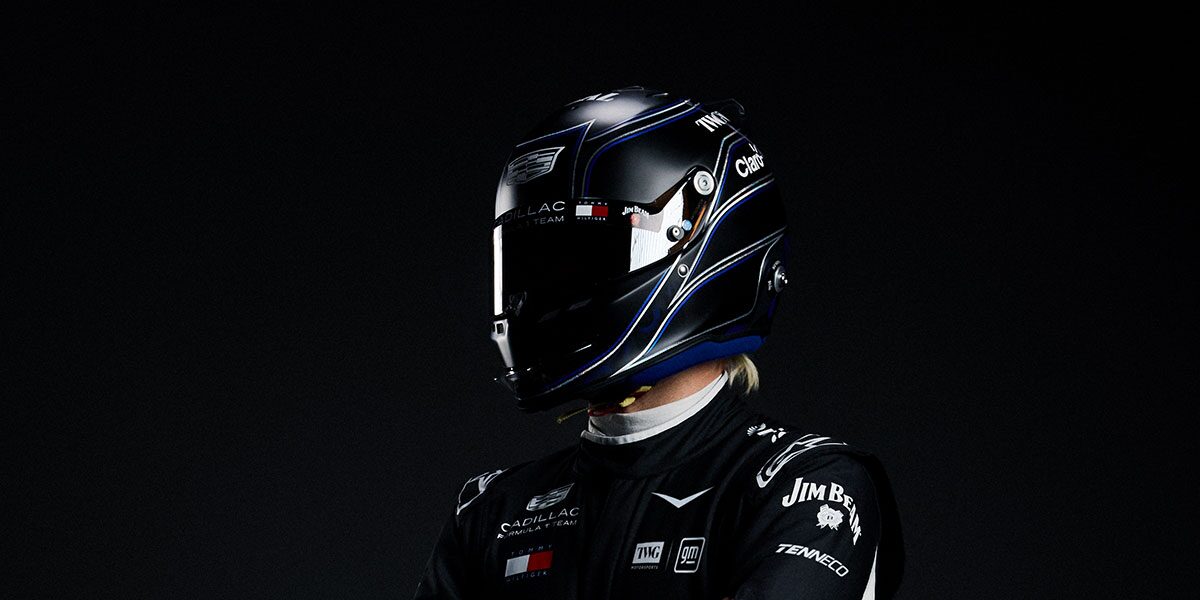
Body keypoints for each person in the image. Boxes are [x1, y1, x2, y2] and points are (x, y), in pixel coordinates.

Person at [415, 86, 903, 599]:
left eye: (582, 260)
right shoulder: (493, 510)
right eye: (534, 264)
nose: (541, 297)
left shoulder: (805, 486)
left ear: (702, 250)